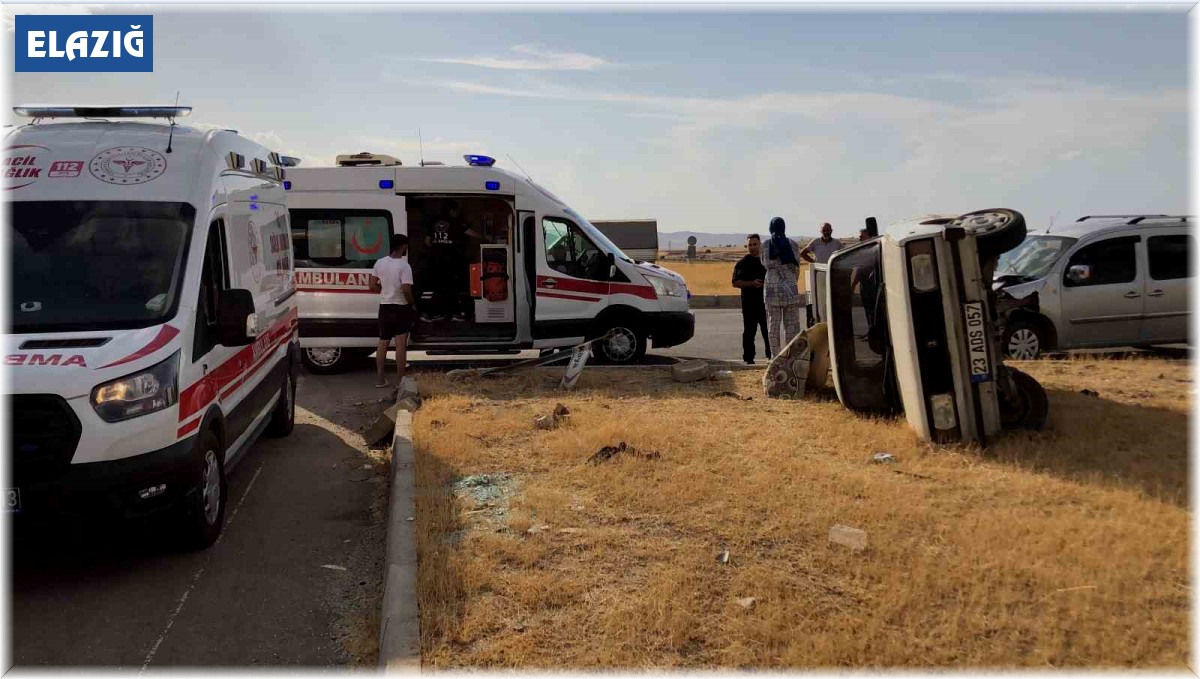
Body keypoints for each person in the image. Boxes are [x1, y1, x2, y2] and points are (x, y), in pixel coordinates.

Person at [423, 200, 482, 322]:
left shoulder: (433, 221)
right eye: (457, 210)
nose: (458, 213)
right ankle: (455, 313)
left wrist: (437, 248)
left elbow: (427, 242)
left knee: (438, 287)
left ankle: (435, 313)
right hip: (450, 260)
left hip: (435, 260)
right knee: (454, 287)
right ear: (452, 210)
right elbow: (471, 233)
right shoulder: (456, 221)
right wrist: (486, 238)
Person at [370, 234, 415, 389]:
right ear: (403, 246)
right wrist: (412, 303)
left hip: (385, 306)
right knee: (400, 345)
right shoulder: (404, 266)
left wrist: (385, 291)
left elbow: (372, 285)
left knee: (383, 343)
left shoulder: (379, 263)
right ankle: (400, 382)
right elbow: (406, 288)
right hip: (401, 307)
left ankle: (380, 379)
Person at [761, 217, 803, 356]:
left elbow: (764, 263)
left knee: (773, 325)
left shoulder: (766, 245)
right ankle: (791, 356)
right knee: (791, 325)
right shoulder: (793, 244)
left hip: (772, 289)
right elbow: (796, 265)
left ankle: (775, 357)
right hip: (790, 287)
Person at [731, 233, 770, 365]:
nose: (752, 247)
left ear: (760, 244)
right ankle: (749, 359)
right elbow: (735, 282)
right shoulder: (742, 263)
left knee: (768, 332)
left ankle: (771, 357)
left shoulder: (767, 261)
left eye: (755, 244)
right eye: (750, 245)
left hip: (766, 304)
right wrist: (751, 283)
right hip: (749, 304)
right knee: (749, 333)